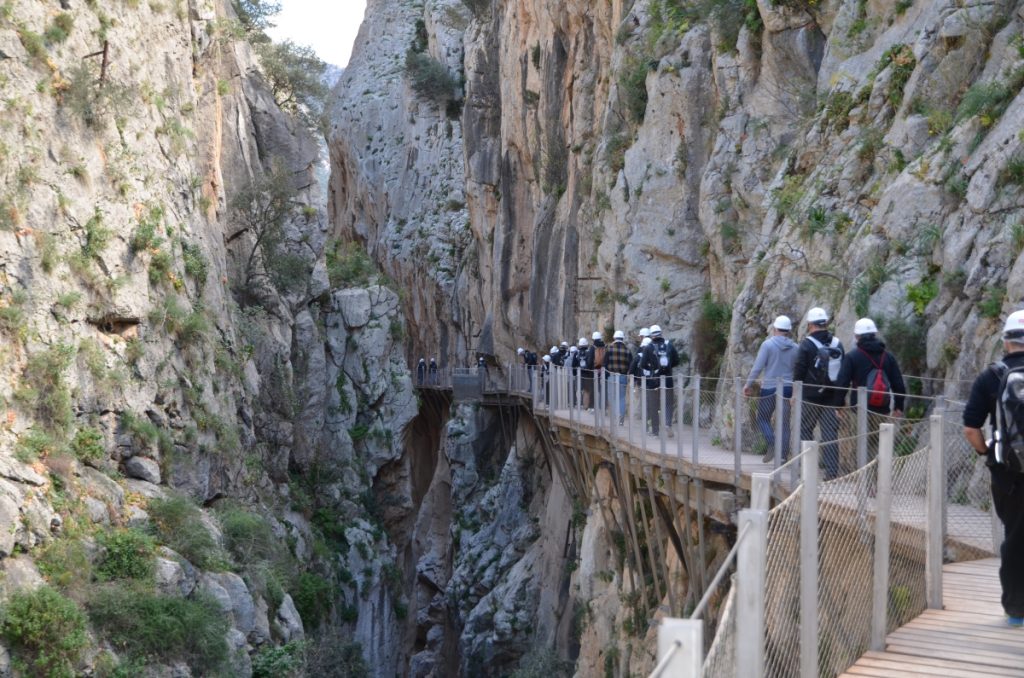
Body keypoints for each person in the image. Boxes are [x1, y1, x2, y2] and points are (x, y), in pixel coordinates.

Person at [963, 310, 1024, 626]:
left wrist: (987, 454)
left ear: (1005, 341)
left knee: (1015, 536)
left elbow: (971, 429)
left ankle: (1016, 610)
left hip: (1007, 474)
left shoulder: (992, 377)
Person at [836, 318, 907, 458]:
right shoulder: (888, 357)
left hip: (859, 409)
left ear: (857, 336)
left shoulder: (852, 357)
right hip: (882, 409)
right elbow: (898, 384)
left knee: (859, 444)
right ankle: (877, 478)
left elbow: (842, 383)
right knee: (878, 445)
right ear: (875, 334)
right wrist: (898, 406)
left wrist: (839, 405)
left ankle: (862, 478)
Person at [793, 307, 845, 479]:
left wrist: (795, 394)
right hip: (831, 396)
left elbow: (799, 371)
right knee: (830, 434)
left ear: (810, 325)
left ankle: (808, 470)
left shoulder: (807, 345)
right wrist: (841, 400)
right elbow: (843, 373)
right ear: (825, 323)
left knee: (805, 431)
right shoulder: (837, 344)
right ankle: (832, 473)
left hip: (810, 397)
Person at [743, 316, 798, 463]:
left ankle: (772, 443)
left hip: (769, 388)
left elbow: (758, 367)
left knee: (762, 418)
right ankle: (782, 457)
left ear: (774, 329)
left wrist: (748, 384)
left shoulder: (768, 345)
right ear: (788, 331)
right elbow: (797, 370)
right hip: (787, 388)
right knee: (784, 423)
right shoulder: (796, 348)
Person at [640, 325, 680, 435]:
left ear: (651, 335)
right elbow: (677, 360)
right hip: (667, 379)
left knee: (654, 405)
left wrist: (652, 368)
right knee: (668, 403)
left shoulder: (648, 347)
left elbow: (642, 364)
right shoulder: (669, 345)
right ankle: (667, 424)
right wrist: (669, 367)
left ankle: (655, 431)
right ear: (661, 333)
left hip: (654, 380)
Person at [605, 330, 632, 424]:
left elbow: (605, 363)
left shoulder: (609, 348)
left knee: (612, 396)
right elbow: (631, 364)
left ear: (614, 338)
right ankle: (621, 416)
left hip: (612, 375)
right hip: (623, 376)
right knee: (621, 397)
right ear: (622, 338)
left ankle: (614, 416)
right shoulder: (627, 349)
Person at [587, 331, 607, 411]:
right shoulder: (604, 346)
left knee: (594, 389)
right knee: (603, 389)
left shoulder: (593, 347)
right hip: (603, 370)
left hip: (594, 370)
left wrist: (589, 369)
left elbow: (590, 359)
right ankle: (603, 407)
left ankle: (592, 407)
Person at [578, 337, 592, 409]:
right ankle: (586, 406)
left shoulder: (577, 353)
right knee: (587, 391)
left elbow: (574, 363)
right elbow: (590, 363)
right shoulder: (588, 352)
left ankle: (581, 404)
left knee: (581, 390)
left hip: (579, 374)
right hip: (587, 374)